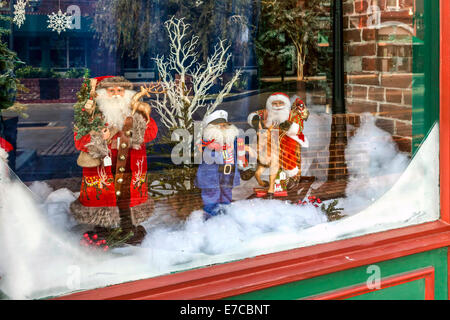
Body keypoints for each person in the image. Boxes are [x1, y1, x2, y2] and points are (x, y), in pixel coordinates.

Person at [70, 76, 158, 243]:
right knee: (104, 198)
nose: (116, 94)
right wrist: (98, 137)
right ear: (103, 93)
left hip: (130, 167)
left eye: (120, 90)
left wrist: (132, 135)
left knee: (127, 198)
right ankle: (102, 230)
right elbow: (79, 140)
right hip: (103, 168)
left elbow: (151, 132)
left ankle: (128, 228)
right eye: (111, 91)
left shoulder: (135, 111)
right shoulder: (91, 114)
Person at [248, 93, 309, 197]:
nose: (277, 105)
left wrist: (290, 126)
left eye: (280, 103)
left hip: (287, 137)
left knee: (289, 150)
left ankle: (291, 175)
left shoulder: (292, 114)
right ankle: (250, 164)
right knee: (258, 145)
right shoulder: (267, 113)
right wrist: (255, 120)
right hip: (270, 137)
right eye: (274, 103)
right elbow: (254, 115)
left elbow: (298, 127)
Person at [195, 110, 242, 219]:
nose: (222, 127)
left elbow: (238, 150)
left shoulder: (232, 139)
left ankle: (225, 213)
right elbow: (201, 153)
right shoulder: (206, 141)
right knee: (211, 193)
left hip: (228, 170)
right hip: (211, 173)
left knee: (226, 191)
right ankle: (211, 216)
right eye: (218, 125)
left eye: (224, 125)